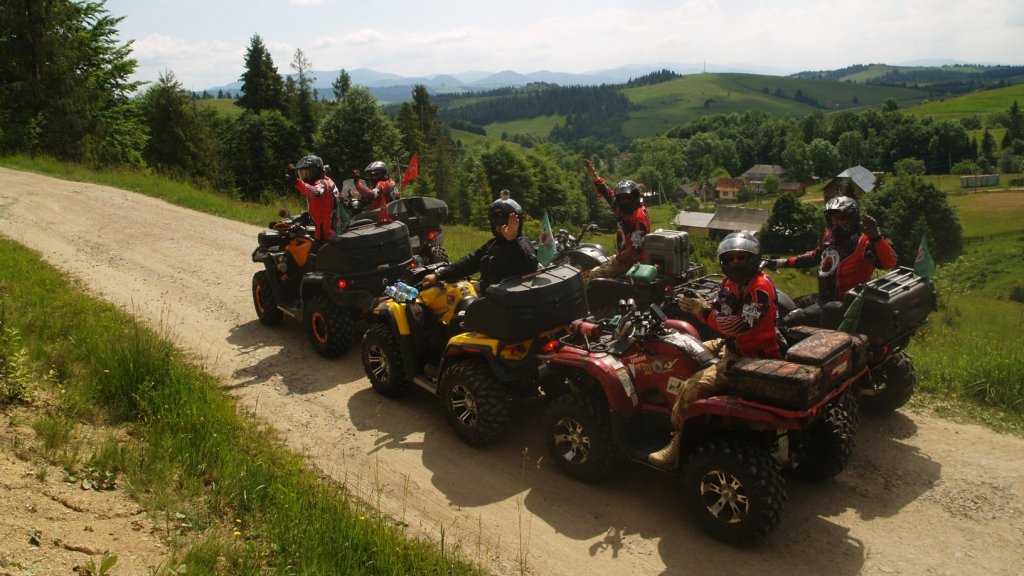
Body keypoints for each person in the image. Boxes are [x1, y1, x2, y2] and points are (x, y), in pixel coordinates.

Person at [649, 232, 785, 468]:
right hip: (732, 346)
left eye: (741, 258)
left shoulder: (760, 288)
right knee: (683, 350)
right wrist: (697, 302)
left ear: (753, 257)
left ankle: (678, 439)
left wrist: (702, 312)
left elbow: (738, 325)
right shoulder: (730, 283)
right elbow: (721, 309)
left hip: (752, 356)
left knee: (692, 388)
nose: (736, 263)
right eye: (730, 259)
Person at [765, 195, 897, 327]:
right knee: (782, 308)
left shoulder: (863, 242)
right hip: (823, 297)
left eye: (842, 218)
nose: (837, 223)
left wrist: (876, 238)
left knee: (789, 320)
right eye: (834, 219)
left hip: (842, 304)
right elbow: (815, 256)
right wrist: (781, 263)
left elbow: (889, 263)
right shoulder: (829, 236)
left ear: (853, 218)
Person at [420, 193, 538, 293]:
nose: (499, 228)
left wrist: (513, 241)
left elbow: (530, 266)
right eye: (496, 223)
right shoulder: (495, 244)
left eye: (504, 223)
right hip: (488, 297)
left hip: (505, 305)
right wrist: (438, 275)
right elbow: (470, 261)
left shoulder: (522, 244)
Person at [582, 159, 651, 280]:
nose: (624, 201)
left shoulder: (638, 218)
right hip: (625, 258)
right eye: (621, 198)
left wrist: (617, 258)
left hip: (635, 263)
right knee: (592, 264)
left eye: (627, 198)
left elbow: (636, 249)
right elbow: (607, 193)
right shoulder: (622, 209)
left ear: (634, 196)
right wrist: (594, 176)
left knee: (594, 275)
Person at [292, 155, 337, 242]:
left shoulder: (323, 183)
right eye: (301, 173)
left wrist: (297, 182)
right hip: (322, 228)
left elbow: (316, 193)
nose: (304, 177)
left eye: (306, 173)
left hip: (326, 233)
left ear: (315, 172)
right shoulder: (321, 181)